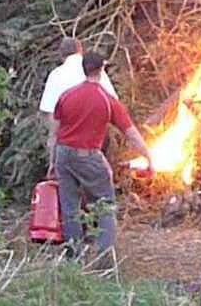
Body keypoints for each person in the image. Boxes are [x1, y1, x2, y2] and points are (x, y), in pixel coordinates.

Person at [49, 51, 153, 258]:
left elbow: (54, 134)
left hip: (63, 155)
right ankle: (105, 257)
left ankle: (74, 256)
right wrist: (149, 157)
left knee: (70, 206)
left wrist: (52, 161)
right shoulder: (107, 100)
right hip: (87, 156)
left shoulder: (66, 95)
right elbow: (131, 133)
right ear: (102, 70)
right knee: (105, 205)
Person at [39, 37, 120, 153]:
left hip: (69, 141)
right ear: (80, 50)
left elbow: (49, 112)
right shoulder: (95, 71)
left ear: (61, 55)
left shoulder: (55, 75)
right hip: (97, 137)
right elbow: (113, 102)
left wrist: (52, 140)